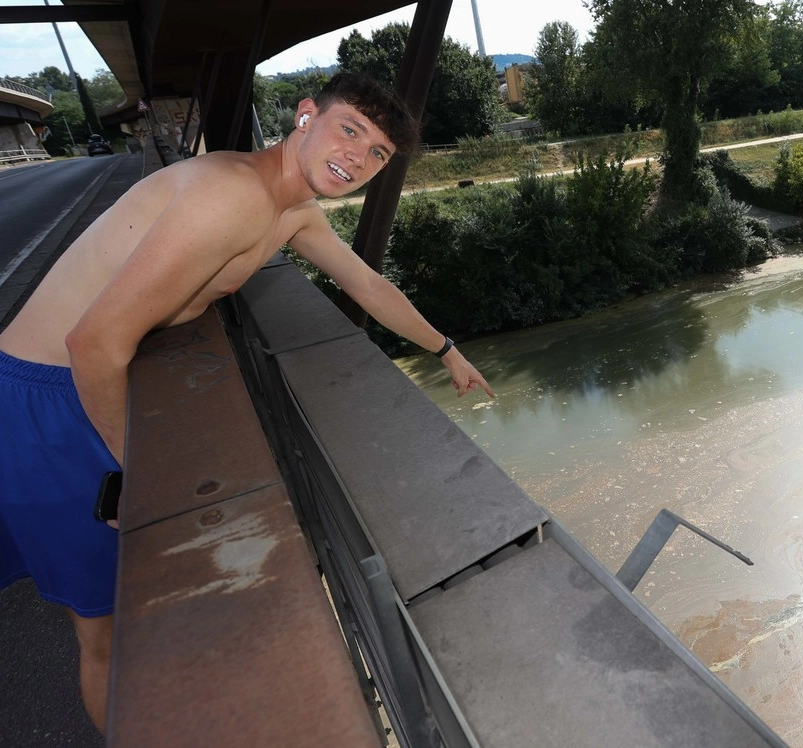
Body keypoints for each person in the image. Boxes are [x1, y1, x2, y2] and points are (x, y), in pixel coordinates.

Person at [0, 73, 493, 734]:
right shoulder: (230, 195)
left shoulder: (288, 206)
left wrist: (446, 351)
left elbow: (368, 286)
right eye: (349, 129)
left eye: (377, 152)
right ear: (305, 115)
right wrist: (138, 480)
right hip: (45, 402)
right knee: (105, 632)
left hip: (69, 388)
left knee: (126, 607)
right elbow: (93, 344)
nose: (359, 156)